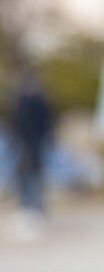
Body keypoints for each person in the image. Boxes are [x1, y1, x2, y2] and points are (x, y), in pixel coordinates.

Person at [6, 65, 54, 240]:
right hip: (24, 145)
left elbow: (37, 127)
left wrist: (30, 146)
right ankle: (29, 208)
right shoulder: (24, 101)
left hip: (31, 145)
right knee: (24, 177)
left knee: (31, 177)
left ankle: (34, 210)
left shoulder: (34, 102)